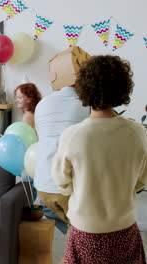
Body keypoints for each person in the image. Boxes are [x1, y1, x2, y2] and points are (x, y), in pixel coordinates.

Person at [53, 55, 146, 263]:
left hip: (86, 232)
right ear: (122, 88)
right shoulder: (137, 133)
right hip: (124, 229)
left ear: (84, 88)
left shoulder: (72, 135)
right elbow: (141, 181)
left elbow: (62, 183)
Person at [34, 46, 91, 235]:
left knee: (73, 232)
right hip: (67, 187)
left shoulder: (42, 104)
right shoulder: (85, 106)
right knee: (84, 231)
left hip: (43, 187)